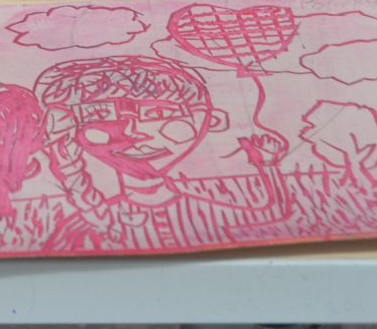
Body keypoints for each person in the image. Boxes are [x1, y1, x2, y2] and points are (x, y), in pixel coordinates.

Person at [34, 55, 292, 252]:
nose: (133, 133)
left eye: (159, 112)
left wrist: (267, 164)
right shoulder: (86, 223)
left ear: (207, 120)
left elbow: (273, 218)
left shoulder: (203, 212)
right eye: (100, 116)